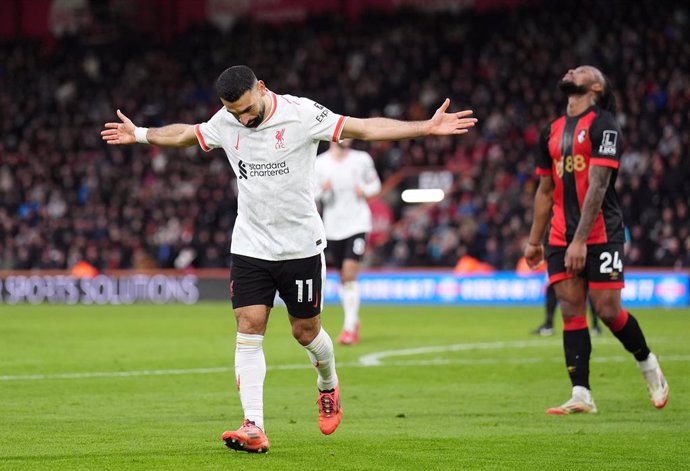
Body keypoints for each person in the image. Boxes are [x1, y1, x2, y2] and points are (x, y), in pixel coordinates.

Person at [101, 65, 477, 452]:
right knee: (249, 327)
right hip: (250, 246)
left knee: (306, 333)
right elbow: (184, 133)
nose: (242, 119)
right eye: (234, 113)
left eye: (247, 109)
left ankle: (328, 383)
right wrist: (141, 134)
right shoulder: (226, 121)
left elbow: (364, 128)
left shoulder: (301, 115)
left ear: (262, 88)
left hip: (300, 247)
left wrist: (424, 128)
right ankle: (253, 426)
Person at [524, 65, 669, 415]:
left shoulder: (604, 125)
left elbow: (599, 184)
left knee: (607, 311)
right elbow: (545, 190)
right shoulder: (550, 131)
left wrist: (580, 240)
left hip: (601, 232)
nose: (572, 70)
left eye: (582, 70)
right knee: (571, 310)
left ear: (596, 86)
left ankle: (649, 364)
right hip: (559, 234)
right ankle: (581, 393)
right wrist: (534, 240)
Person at [314, 140, 381, 345]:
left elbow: (375, 184)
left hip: (358, 223)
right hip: (333, 227)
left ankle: (349, 326)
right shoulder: (319, 163)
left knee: (350, 273)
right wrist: (323, 191)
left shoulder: (361, 159)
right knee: (343, 277)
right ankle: (353, 321)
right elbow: (311, 193)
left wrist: (366, 191)